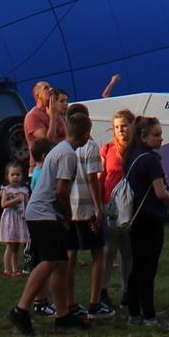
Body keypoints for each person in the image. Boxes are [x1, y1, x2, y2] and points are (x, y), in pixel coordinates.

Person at [11, 103, 87, 332]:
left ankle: (62, 314)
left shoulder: (60, 149)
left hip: (44, 211)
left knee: (61, 263)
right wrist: (68, 213)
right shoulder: (68, 155)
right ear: (84, 134)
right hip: (43, 213)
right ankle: (21, 309)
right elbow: (62, 190)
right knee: (49, 261)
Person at [120, 115, 169, 329]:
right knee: (149, 268)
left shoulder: (131, 156)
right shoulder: (151, 160)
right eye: (156, 135)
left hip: (134, 218)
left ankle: (134, 313)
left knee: (136, 266)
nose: (160, 139)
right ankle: (150, 315)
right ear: (143, 136)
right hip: (151, 218)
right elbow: (160, 193)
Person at [69, 106, 112, 319]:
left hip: (69, 208)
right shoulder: (90, 146)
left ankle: (69, 302)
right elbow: (92, 178)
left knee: (70, 256)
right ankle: (95, 303)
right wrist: (98, 207)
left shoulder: (63, 146)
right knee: (98, 254)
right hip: (87, 209)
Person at [98, 111, 135, 300]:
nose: (121, 130)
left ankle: (127, 289)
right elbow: (100, 177)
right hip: (109, 204)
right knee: (109, 250)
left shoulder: (137, 150)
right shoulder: (107, 149)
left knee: (127, 249)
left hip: (130, 206)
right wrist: (97, 205)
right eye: (117, 127)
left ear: (132, 126)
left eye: (124, 125)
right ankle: (103, 291)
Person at [0, 162, 29, 276]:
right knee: (10, 245)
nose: (15, 177)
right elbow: (3, 204)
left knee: (17, 246)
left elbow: (27, 203)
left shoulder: (24, 190)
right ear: (8, 176)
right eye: (13, 174)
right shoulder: (6, 190)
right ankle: (7, 269)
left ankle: (15, 269)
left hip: (20, 219)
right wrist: (15, 201)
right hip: (10, 220)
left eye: (18, 174)